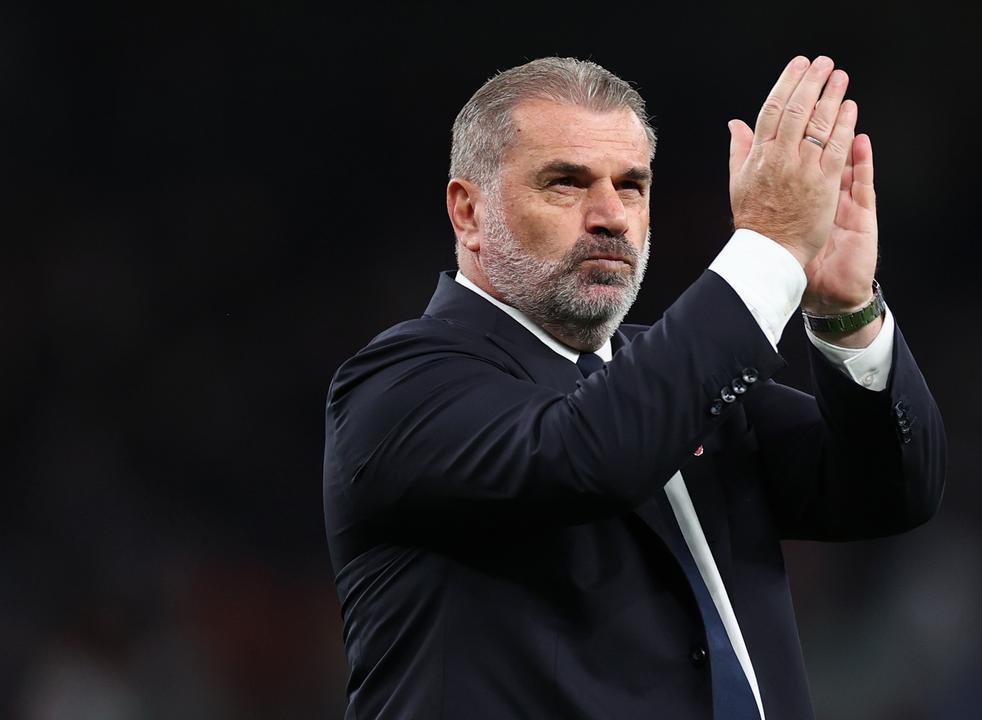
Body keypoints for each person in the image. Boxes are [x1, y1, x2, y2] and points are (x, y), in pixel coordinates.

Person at [322, 55, 945, 720]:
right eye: (566, 183)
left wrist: (844, 310)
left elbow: (892, 492)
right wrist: (767, 250)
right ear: (468, 212)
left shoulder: (678, 373)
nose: (611, 216)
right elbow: (593, 455)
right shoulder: (397, 387)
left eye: (632, 186)